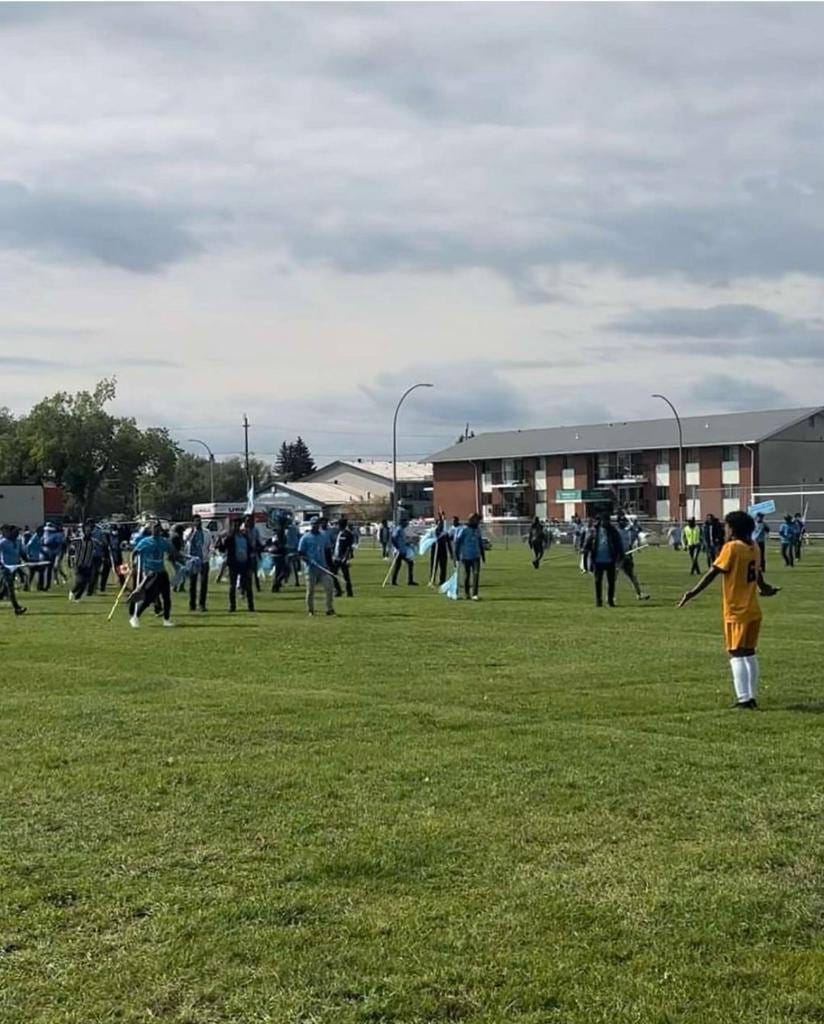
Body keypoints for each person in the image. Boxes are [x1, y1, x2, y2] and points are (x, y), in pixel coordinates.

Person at [678, 510, 779, 709]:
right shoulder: (754, 547)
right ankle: (751, 696)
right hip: (753, 610)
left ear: (732, 529)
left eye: (726, 526)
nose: (725, 529)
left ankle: (744, 699)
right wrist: (766, 589)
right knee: (749, 652)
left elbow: (712, 573)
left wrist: (692, 592)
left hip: (736, 610)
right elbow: (758, 576)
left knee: (736, 653)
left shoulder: (732, 547)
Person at [127, 520, 183, 628]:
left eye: (158, 528)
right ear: (151, 530)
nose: (156, 530)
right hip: (150, 573)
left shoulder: (164, 541)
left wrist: (184, 557)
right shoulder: (145, 541)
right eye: (154, 528)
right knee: (149, 598)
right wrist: (132, 563)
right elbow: (134, 552)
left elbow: (173, 552)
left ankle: (166, 620)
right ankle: (135, 617)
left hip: (161, 572)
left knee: (167, 597)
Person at [583, 512, 624, 607]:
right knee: (598, 581)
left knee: (611, 582)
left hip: (610, 560)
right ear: (600, 520)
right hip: (597, 560)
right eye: (604, 520)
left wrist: (621, 555)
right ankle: (599, 601)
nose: (605, 522)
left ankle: (610, 601)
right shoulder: (594, 530)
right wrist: (585, 549)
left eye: (607, 520)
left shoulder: (613, 531)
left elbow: (618, 543)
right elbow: (588, 541)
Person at [298, 517, 335, 616]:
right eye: (314, 524)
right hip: (311, 568)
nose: (316, 526)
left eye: (317, 524)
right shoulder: (305, 537)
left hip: (323, 567)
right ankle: (311, 610)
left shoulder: (323, 536)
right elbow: (301, 553)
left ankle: (329, 609)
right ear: (311, 525)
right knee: (310, 590)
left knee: (329, 587)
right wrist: (308, 560)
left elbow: (327, 551)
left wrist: (330, 566)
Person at [218, 518, 255, 612]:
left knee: (248, 586)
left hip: (245, 564)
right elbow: (222, 549)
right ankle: (232, 606)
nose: (236, 527)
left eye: (238, 525)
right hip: (234, 564)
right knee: (232, 585)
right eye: (235, 525)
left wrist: (250, 563)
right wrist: (220, 539)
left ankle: (251, 606)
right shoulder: (230, 538)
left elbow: (250, 549)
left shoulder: (245, 537)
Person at [616, 513, 649, 600]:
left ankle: (639, 594)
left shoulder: (627, 532)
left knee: (633, 577)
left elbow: (637, 531)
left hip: (626, 558)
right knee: (614, 578)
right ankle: (611, 596)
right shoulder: (616, 532)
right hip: (618, 558)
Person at [183, 514, 212, 611]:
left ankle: (202, 604)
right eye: (196, 521)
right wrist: (192, 531)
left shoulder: (206, 532)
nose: (198, 522)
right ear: (193, 522)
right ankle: (192, 604)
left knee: (204, 583)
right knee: (193, 583)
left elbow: (210, 545)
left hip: (204, 560)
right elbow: (186, 540)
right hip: (192, 561)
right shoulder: (188, 532)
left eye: (199, 520)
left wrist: (209, 555)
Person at [454, 512, 486, 600]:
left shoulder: (478, 530)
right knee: (467, 575)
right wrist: (456, 555)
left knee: (476, 574)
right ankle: (467, 593)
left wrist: (483, 555)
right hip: (466, 556)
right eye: (477, 520)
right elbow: (458, 543)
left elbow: (480, 543)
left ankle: (475, 594)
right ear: (472, 520)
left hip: (476, 556)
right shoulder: (464, 530)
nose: (478, 522)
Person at [0, 524, 27, 616]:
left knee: (4, 589)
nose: (17, 534)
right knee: (10, 588)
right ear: (10, 532)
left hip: (15, 567)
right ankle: (17, 608)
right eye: (15, 532)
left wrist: (28, 561)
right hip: (5, 568)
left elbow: (22, 553)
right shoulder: (3, 543)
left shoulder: (18, 542)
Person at [68, 521, 96, 603]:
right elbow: (69, 543)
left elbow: (99, 547)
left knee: (86, 582)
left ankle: (77, 597)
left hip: (88, 564)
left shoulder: (93, 542)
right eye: (86, 531)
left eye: (89, 531)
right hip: (78, 564)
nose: (87, 533)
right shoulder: (78, 541)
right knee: (80, 581)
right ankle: (72, 591)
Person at [332, 515, 356, 597]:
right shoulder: (338, 533)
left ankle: (349, 592)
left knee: (346, 576)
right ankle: (338, 591)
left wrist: (345, 558)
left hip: (342, 558)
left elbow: (349, 547)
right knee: (333, 574)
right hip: (336, 557)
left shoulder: (347, 534)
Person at [389, 517, 417, 586]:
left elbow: (402, 541)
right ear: (402, 523)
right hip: (398, 551)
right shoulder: (398, 529)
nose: (407, 524)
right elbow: (393, 538)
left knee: (410, 563)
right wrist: (397, 547)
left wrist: (409, 543)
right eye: (406, 522)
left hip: (403, 551)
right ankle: (393, 581)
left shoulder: (402, 530)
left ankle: (409, 581)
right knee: (398, 565)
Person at [429, 513, 453, 585]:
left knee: (443, 566)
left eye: (442, 524)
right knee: (433, 566)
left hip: (443, 551)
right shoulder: (433, 532)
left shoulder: (445, 533)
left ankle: (442, 581)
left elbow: (448, 543)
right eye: (439, 524)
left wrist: (451, 553)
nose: (441, 525)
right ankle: (431, 580)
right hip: (435, 551)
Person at [25, 526, 49, 591]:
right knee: (32, 573)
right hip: (32, 558)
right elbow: (28, 546)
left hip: (38, 558)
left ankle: (39, 587)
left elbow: (39, 548)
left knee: (41, 572)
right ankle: (27, 587)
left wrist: (44, 553)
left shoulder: (39, 538)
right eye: (42, 531)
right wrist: (28, 555)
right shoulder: (34, 538)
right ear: (39, 531)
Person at [285, 519, 301, 585]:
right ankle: (296, 581)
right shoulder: (296, 528)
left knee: (287, 566)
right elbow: (298, 536)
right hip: (294, 547)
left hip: (288, 548)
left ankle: (286, 579)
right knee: (295, 566)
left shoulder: (286, 529)